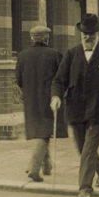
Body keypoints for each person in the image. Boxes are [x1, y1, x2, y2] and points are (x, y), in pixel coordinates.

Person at [50, 13, 99, 197]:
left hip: (97, 111)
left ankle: (85, 187)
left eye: (92, 34)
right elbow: (59, 80)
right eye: (85, 35)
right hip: (75, 110)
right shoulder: (71, 54)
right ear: (80, 35)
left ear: (98, 34)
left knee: (89, 149)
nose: (88, 38)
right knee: (82, 149)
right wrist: (56, 96)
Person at [15, 25, 67, 182]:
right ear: (47, 38)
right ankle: (34, 167)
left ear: (32, 38)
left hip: (31, 101)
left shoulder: (23, 56)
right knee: (45, 133)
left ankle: (47, 165)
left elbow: (19, 80)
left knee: (42, 132)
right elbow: (62, 78)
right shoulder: (54, 55)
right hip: (49, 99)